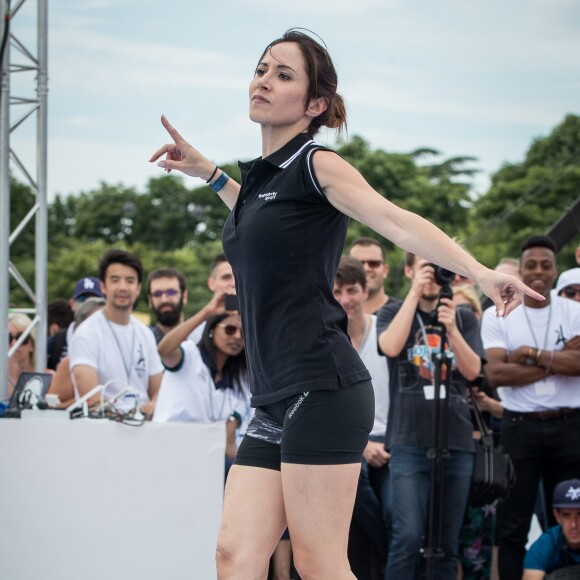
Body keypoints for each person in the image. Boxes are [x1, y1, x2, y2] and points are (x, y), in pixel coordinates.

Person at [150, 29, 540, 579]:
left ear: (315, 105)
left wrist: (478, 271)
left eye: (283, 74)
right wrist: (212, 175)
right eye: (261, 68)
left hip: (323, 389)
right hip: (272, 397)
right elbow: (260, 219)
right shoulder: (265, 180)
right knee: (234, 558)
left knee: (320, 564)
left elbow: (399, 222)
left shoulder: (317, 164)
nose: (263, 80)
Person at [377, 253, 485, 579]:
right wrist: (414, 293)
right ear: (409, 270)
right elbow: (390, 347)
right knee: (407, 536)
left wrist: (451, 328)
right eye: (425, 266)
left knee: (446, 542)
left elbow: (473, 371)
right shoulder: (394, 311)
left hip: (456, 442)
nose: (432, 275)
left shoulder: (463, 317)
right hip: (408, 442)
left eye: (438, 268)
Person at [481, 235, 580, 579]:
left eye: (546, 265)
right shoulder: (497, 313)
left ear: (555, 269)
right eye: (531, 265)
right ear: (520, 271)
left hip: (570, 425)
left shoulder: (575, 311)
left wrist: (529, 354)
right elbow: (495, 374)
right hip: (519, 428)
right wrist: (561, 358)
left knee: (574, 515)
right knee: (513, 525)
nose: (538, 271)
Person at [334, 256, 391, 577]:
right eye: (337, 291)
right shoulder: (325, 340)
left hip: (392, 444)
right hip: (349, 447)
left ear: (366, 289)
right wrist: (363, 445)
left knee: (402, 518)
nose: (345, 300)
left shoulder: (386, 332)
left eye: (351, 290)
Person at [69, 250, 164, 417]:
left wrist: (155, 403)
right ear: (103, 286)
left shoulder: (145, 334)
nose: (122, 287)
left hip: (143, 428)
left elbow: (159, 388)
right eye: (115, 280)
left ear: (138, 288)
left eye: (130, 280)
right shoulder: (87, 332)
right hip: (101, 430)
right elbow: (91, 399)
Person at [47, 297, 106, 408]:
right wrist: (84, 401)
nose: (103, 328)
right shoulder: (69, 363)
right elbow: (52, 406)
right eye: (97, 322)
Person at [523, 478, 580, 579]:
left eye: (579, 515)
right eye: (566, 515)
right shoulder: (546, 544)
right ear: (557, 516)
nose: (574, 525)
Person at [47, 276, 104, 370]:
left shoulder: (112, 339)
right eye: (82, 299)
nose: (87, 304)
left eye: (94, 300)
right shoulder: (56, 341)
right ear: (72, 304)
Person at [348, 237, 392, 314]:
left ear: (385, 270)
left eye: (373, 263)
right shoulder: (335, 314)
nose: (366, 268)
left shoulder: (405, 312)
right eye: (359, 264)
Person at [147, 267, 189, 343]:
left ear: (184, 296)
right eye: (157, 294)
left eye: (171, 292)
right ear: (150, 300)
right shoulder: (143, 340)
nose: (164, 300)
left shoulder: (201, 338)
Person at [8, 313, 38, 397]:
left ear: (32, 344)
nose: (14, 343)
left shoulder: (49, 377)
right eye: (7, 338)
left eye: (22, 338)